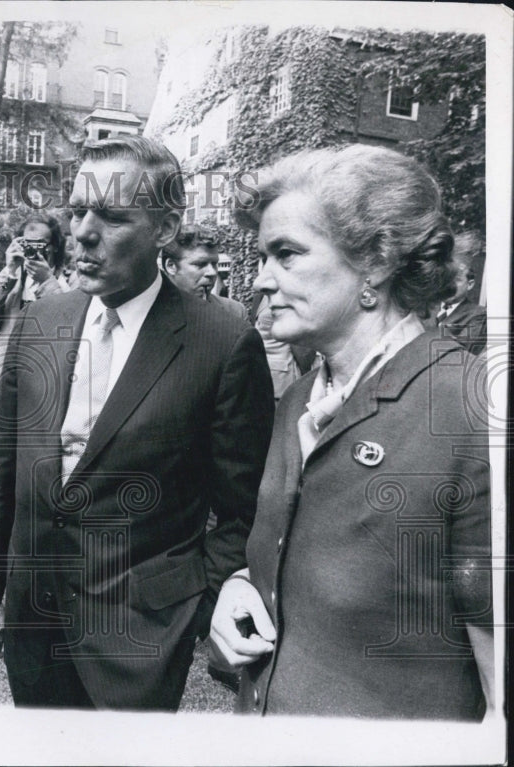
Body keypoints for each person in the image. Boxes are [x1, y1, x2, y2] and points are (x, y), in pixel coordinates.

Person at [0, 135, 274, 710]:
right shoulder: (42, 319)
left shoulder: (222, 342)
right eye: (78, 209)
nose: (82, 231)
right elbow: (1, 465)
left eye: (110, 216)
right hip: (35, 624)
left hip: (142, 638)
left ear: (164, 228)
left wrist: (192, 610)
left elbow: (241, 510)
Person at [210, 144, 493, 720]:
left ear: (377, 261)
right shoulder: (298, 399)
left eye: (286, 254)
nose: (262, 279)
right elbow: (308, 550)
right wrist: (241, 585)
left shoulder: (468, 408)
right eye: (263, 256)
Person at [0, 215, 71, 408]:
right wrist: (9, 270)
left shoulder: (68, 280)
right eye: (27, 243)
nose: (33, 249)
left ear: (54, 246)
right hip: (6, 381)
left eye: (40, 244)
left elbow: (69, 322)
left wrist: (47, 281)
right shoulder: (11, 280)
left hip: (47, 382)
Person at [160, 225, 248, 321]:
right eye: (200, 264)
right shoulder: (148, 312)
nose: (212, 272)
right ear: (171, 266)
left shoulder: (235, 311)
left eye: (214, 264)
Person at [434, 232, 487, 355]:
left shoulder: (478, 315)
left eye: (457, 280)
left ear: (470, 284)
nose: (448, 285)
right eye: (446, 278)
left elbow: (458, 352)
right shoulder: (427, 309)